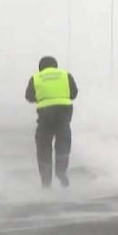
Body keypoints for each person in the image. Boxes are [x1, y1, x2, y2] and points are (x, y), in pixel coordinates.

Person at [24, 56, 79, 188]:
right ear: (55, 66)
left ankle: (46, 179)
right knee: (63, 144)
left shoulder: (36, 78)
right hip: (64, 114)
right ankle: (61, 172)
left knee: (43, 145)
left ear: (41, 67)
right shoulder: (65, 75)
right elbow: (74, 94)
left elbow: (29, 97)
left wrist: (42, 97)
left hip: (45, 115)